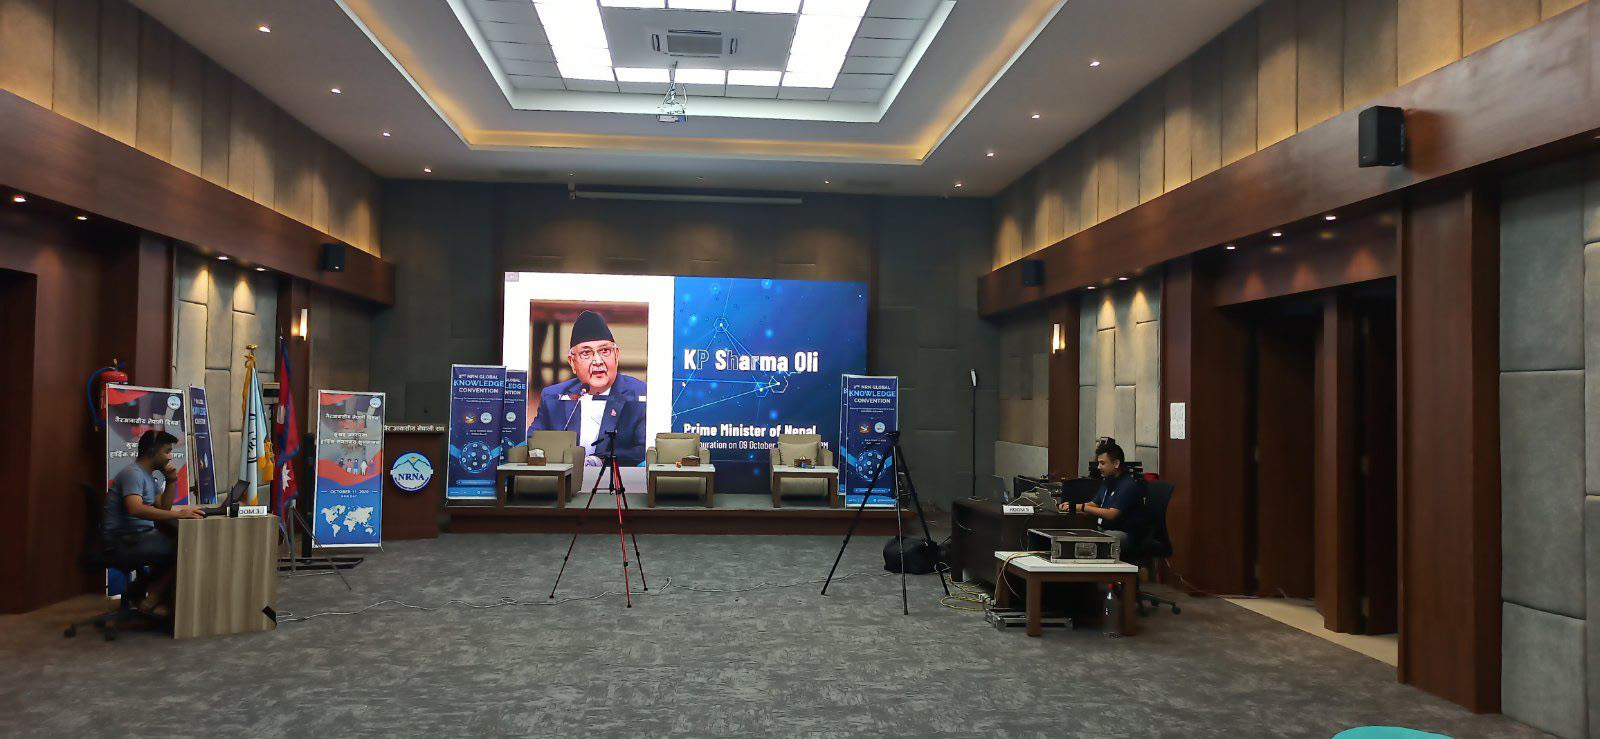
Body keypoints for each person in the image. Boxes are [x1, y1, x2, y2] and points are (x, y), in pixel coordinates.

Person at [103, 429, 203, 618]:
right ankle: (152, 599)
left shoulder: (147, 475)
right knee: (184, 550)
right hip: (124, 540)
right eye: (167, 451)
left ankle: (137, 595)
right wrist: (179, 514)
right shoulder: (133, 474)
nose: (170, 457)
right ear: (151, 451)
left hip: (136, 537)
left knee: (177, 545)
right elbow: (135, 508)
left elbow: (163, 507)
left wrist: (171, 481)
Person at [529, 310, 647, 465]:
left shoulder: (639, 395)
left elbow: (643, 449)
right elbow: (532, 442)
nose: (598, 361)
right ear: (572, 363)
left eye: (605, 351)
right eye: (586, 353)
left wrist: (599, 461)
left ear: (616, 356)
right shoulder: (554, 397)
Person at [1058, 440, 1148, 553]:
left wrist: (1083, 508)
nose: (1099, 467)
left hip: (1126, 534)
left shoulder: (1127, 485)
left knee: (1099, 539)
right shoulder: (1108, 481)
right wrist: (1073, 506)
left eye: (1102, 463)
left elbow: (1111, 514)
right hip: (1107, 528)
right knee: (1078, 531)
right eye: (1098, 463)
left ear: (1116, 464)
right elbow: (1095, 504)